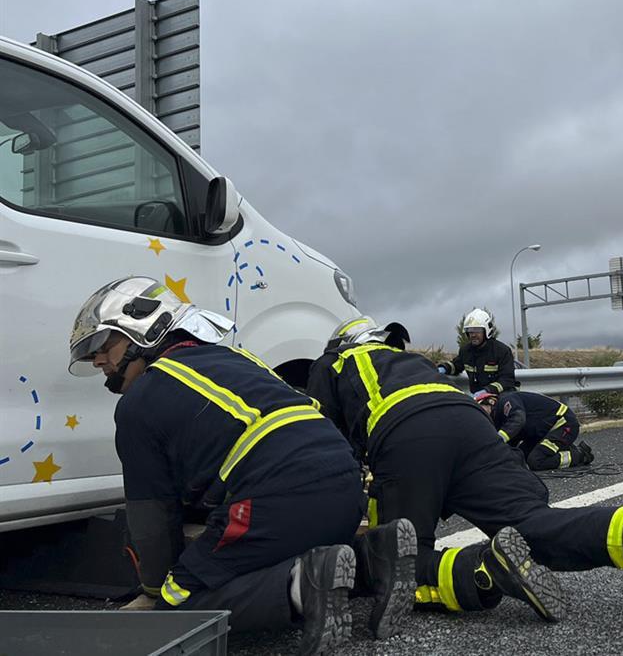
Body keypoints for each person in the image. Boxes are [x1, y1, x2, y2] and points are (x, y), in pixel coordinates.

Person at [67, 278, 417, 655]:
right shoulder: (237, 358)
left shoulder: (137, 405)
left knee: (178, 608)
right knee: (264, 549)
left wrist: (157, 591)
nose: (98, 360)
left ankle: (303, 585)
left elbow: (152, 519)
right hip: (346, 489)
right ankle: (371, 557)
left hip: (280, 497)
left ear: (144, 333)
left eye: (104, 346)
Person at [307, 316, 623, 624]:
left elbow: (327, 439)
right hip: (471, 425)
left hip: (407, 432)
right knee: (536, 524)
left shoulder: (332, 363)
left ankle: (488, 570)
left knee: (394, 558)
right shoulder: (408, 360)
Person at [474, 390, 595, 470]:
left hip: (563, 424)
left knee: (536, 461)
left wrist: (497, 440)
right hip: (544, 432)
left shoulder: (506, 401)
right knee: (520, 457)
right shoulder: (498, 420)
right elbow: (511, 441)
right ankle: (564, 448)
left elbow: (518, 420)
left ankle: (580, 454)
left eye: (481, 408)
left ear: (490, 401)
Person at [438, 308, 518, 395]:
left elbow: (507, 380)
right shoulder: (466, 351)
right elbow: (456, 365)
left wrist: (487, 391)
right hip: (479, 399)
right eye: (470, 331)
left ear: (486, 331)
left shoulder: (502, 351)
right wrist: (442, 369)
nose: (473, 335)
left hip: (502, 396)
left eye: (477, 330)